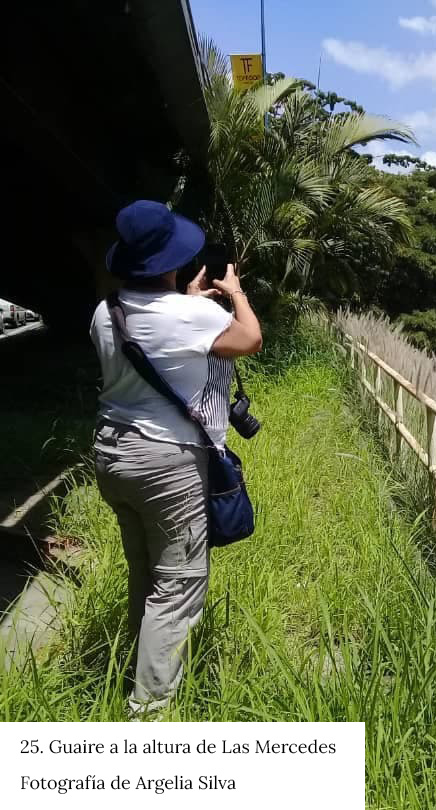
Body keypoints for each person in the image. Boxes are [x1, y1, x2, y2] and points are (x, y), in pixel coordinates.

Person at [89, 200, 263, 714]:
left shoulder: (106, 310)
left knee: (144, 571)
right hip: (166, 463)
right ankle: (149, 711)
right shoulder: (196, 314)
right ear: (170, 260)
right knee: (179, 584)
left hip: (111, 454)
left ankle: (134, 669)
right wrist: (234, 293)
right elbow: (249, 338)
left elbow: (157, 335)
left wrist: (185, 298)